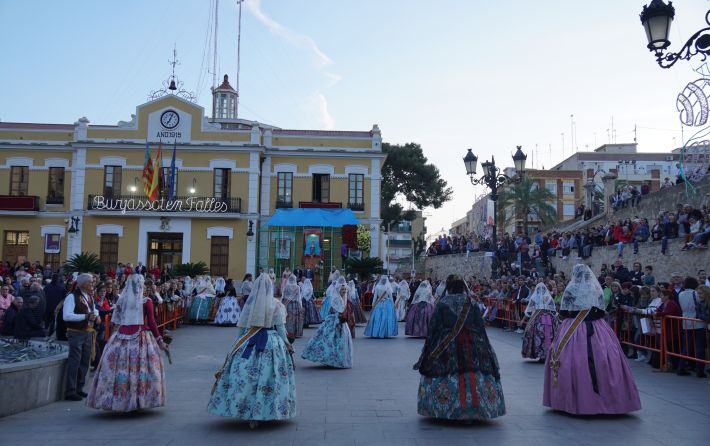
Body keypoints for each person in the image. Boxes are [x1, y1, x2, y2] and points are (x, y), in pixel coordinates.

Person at [544, 264, 641, 415]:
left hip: (573, 327)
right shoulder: (596, 288)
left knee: (572, 360)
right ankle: (610, 401)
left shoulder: (571, 289)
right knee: (605, 358)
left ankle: (574, 401)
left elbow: (564, 311)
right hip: (597, 327)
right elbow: (600, 311)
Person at [208, 273, 296, 426]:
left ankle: (246, 410)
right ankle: (267, 410)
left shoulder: (250, 304)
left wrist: (237, 345)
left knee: (247, 377)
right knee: (270, 376)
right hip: (271, 343)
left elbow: (242, 328)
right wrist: (287, 344)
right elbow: (281, 329)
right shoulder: (276, 305)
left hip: (249, 342)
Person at [414, 277, 506, 421]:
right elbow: (480, 326)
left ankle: (442, 408)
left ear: (449, 287)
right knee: (473, 371)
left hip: (446, 343)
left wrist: (429, 348)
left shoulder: (443, 303)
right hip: (472, 342)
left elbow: (434, 326)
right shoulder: (472, 302)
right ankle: (476, 408)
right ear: (463, 287)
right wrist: (485, 347)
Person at [86, 274, 167, 411]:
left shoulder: (122, 301)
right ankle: (139, 399)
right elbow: (152, 322)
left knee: (118, 369)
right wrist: (159, 340)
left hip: (121, 336)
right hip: (141, 337)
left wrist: (111, 339)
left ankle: (117, 400)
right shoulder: (146, 301)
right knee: (141, 369)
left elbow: (115, 322)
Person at [62, 273, 99, 401]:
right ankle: (70, 391)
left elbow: (93, 309)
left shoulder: (89, 296)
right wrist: (85, 317)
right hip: (76, 332)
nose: (92, 284)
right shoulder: (72, 297)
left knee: (84, 361)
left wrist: (96, 315)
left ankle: (79, 388)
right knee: (75, 361)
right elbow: (66, 316)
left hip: (87, 332)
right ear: (83, 284)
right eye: (90, 282)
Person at [302, 282, 354, 368]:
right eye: (342, 289)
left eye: (345, 289)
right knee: (329, 340)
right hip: (334, 321)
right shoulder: (335, 299)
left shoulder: (344, 298)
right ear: (338, 290)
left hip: (341, 321)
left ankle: (339, 360)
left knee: (341, 341)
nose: (344, 291)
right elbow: (333, 311)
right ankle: (330, 359)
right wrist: (337, 317)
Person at [520, 283, 559, 362]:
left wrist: (523, 320)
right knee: (549, 336)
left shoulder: (534, 297)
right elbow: (554, 311)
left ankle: (541, 355)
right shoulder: (549, 298)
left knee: (537, 336)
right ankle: (548, 355)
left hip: (537, 320)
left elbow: (528, 311)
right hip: (549, 319)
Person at [676, 277, 706, 378]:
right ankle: (699, 370)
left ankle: (681, 367)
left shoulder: (681, 294)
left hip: (685, 321)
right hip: (697, 322)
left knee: (686, 346)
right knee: (699, 347)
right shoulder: (696, 294)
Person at [282, 274, 304, 340]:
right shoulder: (297, 287)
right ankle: (295, 333)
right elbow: (299, 297)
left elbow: (283, 296)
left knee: (288, 319)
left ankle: (288, 332)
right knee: (295, 319)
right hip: (295, 305)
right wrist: (301, 305)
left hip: (288, 305)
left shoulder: (286, 286)